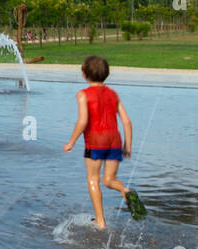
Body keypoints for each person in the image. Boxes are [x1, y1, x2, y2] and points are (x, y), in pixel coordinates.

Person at [62, 55, 146, 228]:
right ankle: (125, 190)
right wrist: (127, 146)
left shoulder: (83, 94)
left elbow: (83, 121)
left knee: (93, 179)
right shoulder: (113, 94)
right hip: (114, 141)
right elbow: (127, 121)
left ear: (84, 74)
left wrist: (71, 142)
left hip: (95, 141)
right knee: (109, 180)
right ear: (106, 74)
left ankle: (100, 221)